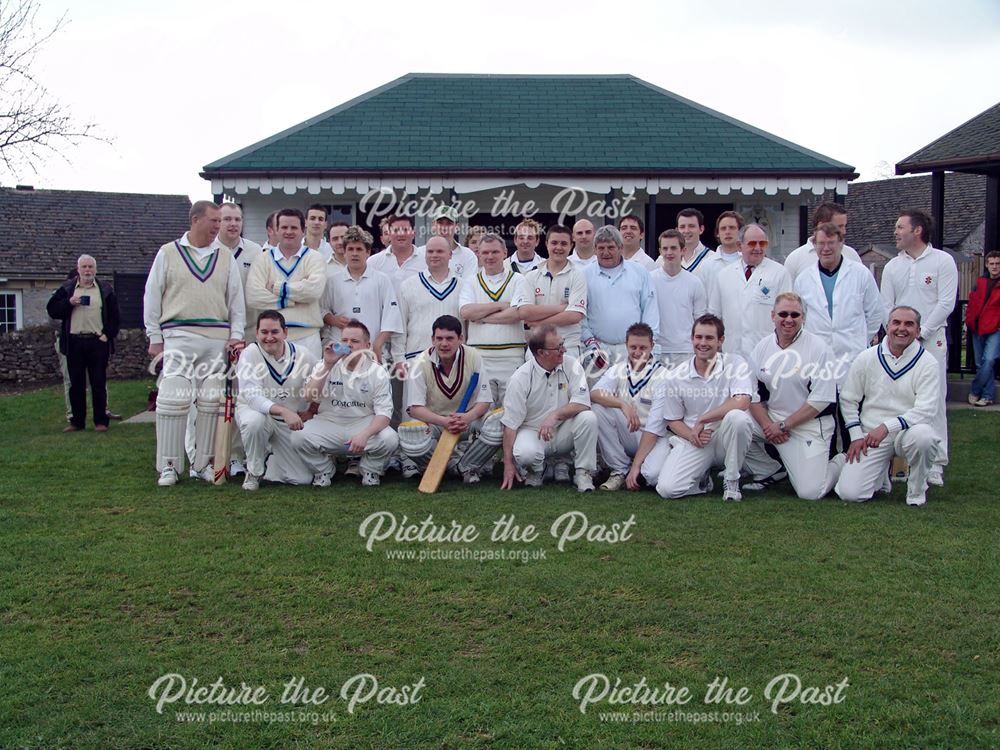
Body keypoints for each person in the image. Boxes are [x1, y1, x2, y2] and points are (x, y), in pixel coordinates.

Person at [143, 201, 246, 486]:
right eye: (213, 221)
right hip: (178, 335)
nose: (218, 226)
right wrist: (154, 337)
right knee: (173, 398)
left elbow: (236, 300)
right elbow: (152, 295)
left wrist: (236, 335)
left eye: (220, 221)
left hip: (216, 338)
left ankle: (202, 464)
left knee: (211, 400)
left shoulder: (225, 256)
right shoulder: (168, 253)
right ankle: (169, 467)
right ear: (195, 219)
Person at [626, 315, 773, 502]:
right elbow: (672, 420)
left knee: (738, 418)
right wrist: (691, 435)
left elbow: (742, 401)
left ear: (721, 341)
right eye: (698, 337)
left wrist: (704, 419)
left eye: (709, 338)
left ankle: (732, 480)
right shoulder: (676, 376)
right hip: (695, 439)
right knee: (666, 489)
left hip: (723, 436)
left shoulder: (736, 363)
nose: (703, 343)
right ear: (692, 339)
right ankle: (702, 482)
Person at [835, 306, 943, 506]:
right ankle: (880, 476)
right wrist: (856, 435)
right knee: (850, 493)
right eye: (896, 323)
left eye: (909, 324)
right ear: (887, 326)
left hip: (908, 432)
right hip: (871, 434)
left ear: (918, 331)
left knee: (925, 438)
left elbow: (925, 410)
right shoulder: (867, 357)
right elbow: (849, 399)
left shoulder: (928, 363)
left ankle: (916, 491)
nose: (902, 328)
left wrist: (886, 427)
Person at [880, 209, 957, 485]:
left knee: (933, 401)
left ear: (918, 231)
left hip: (930, 341)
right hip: (897, 344)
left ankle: (935, 463)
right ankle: (897, 462)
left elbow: (946, 303)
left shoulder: (942, 261)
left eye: (901, 227)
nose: (896, 232)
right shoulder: (893, 266)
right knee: (898, 399)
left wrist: (920, 333)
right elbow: (885, 305)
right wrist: (896, 335)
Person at [747, 293, 845, 499]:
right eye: (783, 314)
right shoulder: (762, 347)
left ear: (803, 317)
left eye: (795, 315)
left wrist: (784, 425)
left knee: (810, 493)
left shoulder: (819, 349)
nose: (788, 320)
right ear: (773, 315)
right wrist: (768, 425)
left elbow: (820, 401)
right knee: (732, 423)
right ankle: (768, 469)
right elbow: (752, 396)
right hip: (772, 422)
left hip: (808, 427)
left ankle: (842, 460)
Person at [293, 320, 399, 486]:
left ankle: (370, 469)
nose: (348, 345)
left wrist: (365, 435)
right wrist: (328, 365)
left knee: (390, 438)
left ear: (367, 345)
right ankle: (324, 470)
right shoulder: (325, 364)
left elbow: (384, 415)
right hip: (330, 422)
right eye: (344, 340)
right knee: (298, 436)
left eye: (355, 341)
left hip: (362, 423)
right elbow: (308, 396)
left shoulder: (378, 371)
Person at [398, 315, 501, 483]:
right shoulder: (419, 363)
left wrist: (467, 417)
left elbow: (485, 401)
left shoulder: (473, 356)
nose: (444, 344)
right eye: (439, 338)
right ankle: (450, 464)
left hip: (466, 420)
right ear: (432, 339)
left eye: (449, 338)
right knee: (411, 435)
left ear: (461, 338)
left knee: (496, 423)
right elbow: (415, 408)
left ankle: (467, 465)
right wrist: (444, 421)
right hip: (436, 422)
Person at [500, 324, 597, 492]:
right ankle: (537, 471)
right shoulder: (520, 378)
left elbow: (583, 403)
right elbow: (510, 425)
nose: (564, 349)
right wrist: (508, 464)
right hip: (533, 431)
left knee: (588, 418)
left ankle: (583, 473)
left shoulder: (572, 365)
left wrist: (555, 415)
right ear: (541, 352)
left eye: (562, 343)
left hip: (563, 430)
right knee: (525, 454)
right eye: (558, 347)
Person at [235, 310, 319, 490]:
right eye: (264, 332)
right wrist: (283, 410)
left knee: (302, 479)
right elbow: (252, 397)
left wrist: (312, 410)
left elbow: (321, 383)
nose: (269, 337)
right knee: (254, 422)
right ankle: (254, 470)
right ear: (256, 333)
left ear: (285, 332)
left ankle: (271, 459)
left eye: (275, 332)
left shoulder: (303, 354)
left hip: (287, 422)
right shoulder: (250, 353)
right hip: (258, 413)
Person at [47, 254, 120, 433]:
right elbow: (52, 309)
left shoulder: (105, 289)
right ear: (78, 269)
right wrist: (68, 303)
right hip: (74, 342)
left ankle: (101, 422)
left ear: (95, 269)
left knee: (98, 382)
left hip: (97, 342)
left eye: (90, 267)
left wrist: (107, 335)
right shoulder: (67, 289)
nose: (87, 270)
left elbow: (115, 317)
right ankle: (77, 422)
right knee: (76, 384)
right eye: (84, 267)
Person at [794, 222, 882, 368]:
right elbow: (800, 318)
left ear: (841, 244)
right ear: (814, 246)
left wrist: (859, 340)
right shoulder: (803, 279)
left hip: (853, 358)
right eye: (821, 243)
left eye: (831, 243)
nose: (826, 248)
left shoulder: (861, 274)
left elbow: (875, 313)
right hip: (816, 358)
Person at [591, 323, 665, 491]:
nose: (637, 352)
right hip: (630, 432)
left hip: (654, 438)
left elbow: (655, 428)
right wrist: (622, 404)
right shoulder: (618, 369)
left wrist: (637, 466)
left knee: (652, 477)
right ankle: (619, 470)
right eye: (633, 347)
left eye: (643, 347)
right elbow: (595, 393)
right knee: (597, 411)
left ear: (652, 346)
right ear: (626, 345)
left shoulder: (663, 376)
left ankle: (636, 467)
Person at [245, 208, 326, 359]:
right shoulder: (262, 259)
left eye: (294, 227)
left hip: (307, 335)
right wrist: (290, 300)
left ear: (303, 230)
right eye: (284, 227)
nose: (289, 232)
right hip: (271, 337)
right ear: (276, 230)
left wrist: (277, 287)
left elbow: (313, 291)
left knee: (310, 381)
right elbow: (253, 296)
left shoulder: (315, 258)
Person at [459, 233, 529, 403]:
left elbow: (517, 314)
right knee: (482, 414)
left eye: (495, 252)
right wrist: (499, 305)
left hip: (512, 356)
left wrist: (481, 317)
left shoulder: (519, 279)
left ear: (505, 253)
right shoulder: (470, 281)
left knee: (511, 410)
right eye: (485, 253)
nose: (490, 257)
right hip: (479, 356)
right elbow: (466, 312)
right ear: (478, 254)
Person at [581, 225, 659, 377]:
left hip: (632, 349)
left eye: (611, 247)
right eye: (601, 248)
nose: (606, 252)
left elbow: (650, 309)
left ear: (621, 247)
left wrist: (648, 343)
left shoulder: (639, 272)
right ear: (595, 249)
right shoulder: (584, 275)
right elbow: (580, 314)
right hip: (597, 349)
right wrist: (591, 345)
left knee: (632, 398)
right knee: (598, 398)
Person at [709, 223, 791, 359]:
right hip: (732, 355)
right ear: (739, 246)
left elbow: (787, 317)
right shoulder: (724, 275)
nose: (758, 248)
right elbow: (714, 316)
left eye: (762, 243)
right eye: (752, 243)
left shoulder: (780, 274)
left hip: (768, 355)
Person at [319, 225, 400, 362]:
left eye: (359, 249)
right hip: (340, 353)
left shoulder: (381, 280)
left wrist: (377, 345)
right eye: (350, 249)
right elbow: (321, 310)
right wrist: (333, 320)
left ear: (368, 252)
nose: (354, 253)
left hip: (371, 353)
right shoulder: (332, 281)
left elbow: (391, 317)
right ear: (344, 252)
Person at [513, 224, 588, 357]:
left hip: (567, 346)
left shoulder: (578, 276)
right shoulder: (531, 276)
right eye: (554, 243)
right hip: (537, 346)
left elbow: (574, 316)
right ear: (546, 244)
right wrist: (563, 308)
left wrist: (539, 322)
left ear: (571, 246)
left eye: (564, 243)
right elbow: (524, 312)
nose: (558, 247)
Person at [391, 235, 463, 368]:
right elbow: (399, 325)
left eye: (440, 251)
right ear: (424, 255)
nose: (434, 255)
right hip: (416, 359)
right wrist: (399, 359)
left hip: (454, 361)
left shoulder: (463, 286)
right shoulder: (408, 285)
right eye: (430, 251)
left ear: (450, 255)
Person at [650, 229, 707, 366]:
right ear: (660, 251)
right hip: (657, 351)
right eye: (665, 248)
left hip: (686, 352)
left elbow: (700, 320)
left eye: (673, 248)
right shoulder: (649, 280)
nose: (669, 252)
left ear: (683, 250)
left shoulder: (694, 282)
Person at [783, 202, 862, 281]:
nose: (844, 231)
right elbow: (789, 292)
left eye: (844, 226)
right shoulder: (795, 259)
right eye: (839, 226)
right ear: (821, 225)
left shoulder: (851, 255)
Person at [966, 251, 1000, 406]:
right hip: (977, 326)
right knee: (981, 363)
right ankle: (987, 396)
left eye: (998, 264)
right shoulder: (979, 282)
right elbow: (972, 302)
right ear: (987, 265)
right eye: (992, 263)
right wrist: (969, 322)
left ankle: (975, 390)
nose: (995, 267)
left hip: (995, 328)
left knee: (989, 360)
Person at [367, 214, 427, 294]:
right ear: (389, 234)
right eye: (396, 230)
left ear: (413, 234)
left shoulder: (426, 261)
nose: (401, 234)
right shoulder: (373, 263)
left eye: (405, 230)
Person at [421, 205, 478, 282]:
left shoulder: (468, 256)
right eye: (440, 223)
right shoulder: (420, 253)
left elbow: (468, 288)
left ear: (457, 227)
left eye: (449, 223)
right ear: (433, 225)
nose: (444, 227)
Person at [676, 208, 715, 287]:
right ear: (677, 230)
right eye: (682, 227)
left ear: (701, 229)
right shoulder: (664, 259)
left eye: (691, 226)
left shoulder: (713, 258)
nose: (686, 231)